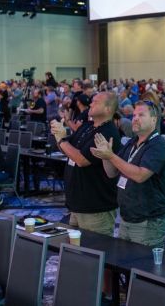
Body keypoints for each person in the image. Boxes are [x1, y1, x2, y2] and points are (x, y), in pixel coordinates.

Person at [92, 100, 165, 247]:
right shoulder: (132, 142)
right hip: (127, 218)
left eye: (141, 115)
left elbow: (140, 175)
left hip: (148, 222)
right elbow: (111, 172)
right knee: (126, 265)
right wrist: (105, 156)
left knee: (143, 267)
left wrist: (111, 156)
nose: (135, 118)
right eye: (134, 115)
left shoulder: (158, 144)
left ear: (154, 119)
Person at [51, 91, 122, 236]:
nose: (90, 103)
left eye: (96, 102)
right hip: (77, 204)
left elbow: (82, 160)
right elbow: (68, 148)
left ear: (108, 109)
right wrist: (59, 134)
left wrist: (61, 140)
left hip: (95, 207)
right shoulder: (87, 126)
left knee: (95, 251)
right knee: (75, 253)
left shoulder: (107, 132)